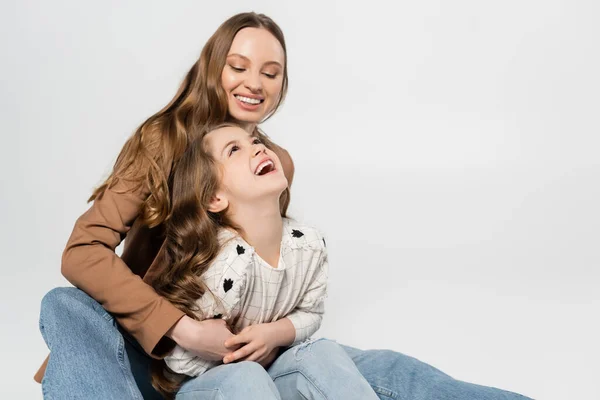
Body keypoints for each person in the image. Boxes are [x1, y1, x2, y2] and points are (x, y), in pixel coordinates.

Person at [37, 11, 532, 400]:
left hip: (240, 360)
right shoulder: (161, 139)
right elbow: (81, 253)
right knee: (67, 306)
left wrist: (276, 334)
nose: (255, 83)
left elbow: (271, 275)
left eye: (271, 73)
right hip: (158, 347)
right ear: (214, 67)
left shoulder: (274, 164)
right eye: (239, 67)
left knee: (386, 369)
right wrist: (183, 329)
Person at [145, 123, 379, 399]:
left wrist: (274, 335)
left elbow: (312, 313)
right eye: (234, 150)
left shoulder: (309, 245)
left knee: (322, 352)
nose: (257, 147)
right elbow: (179, 362)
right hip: (204, 384)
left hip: (270, 372)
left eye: (255, 141)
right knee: (247, 376)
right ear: (214, 197)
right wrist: (235, 351)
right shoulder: (223, 266)